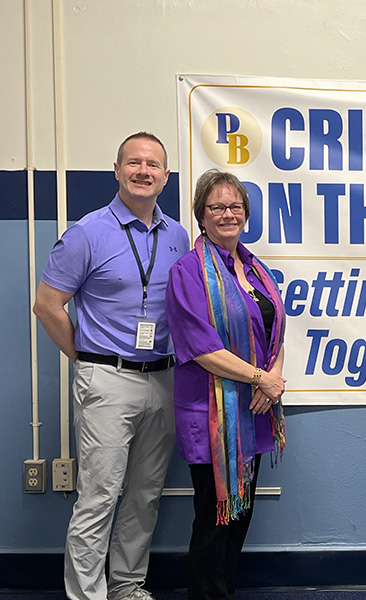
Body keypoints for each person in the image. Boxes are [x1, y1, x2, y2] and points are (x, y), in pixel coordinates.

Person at [33, 132, 189, 600]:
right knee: (99, 496)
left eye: (153, 165)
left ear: (165, 176)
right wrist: (86, 359)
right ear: (116, 171)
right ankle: (87, 595)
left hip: (163, 378)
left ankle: (126, 585)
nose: (143, 171)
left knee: (144, 495)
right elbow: (47, 305)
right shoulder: (88, 232)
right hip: (106, 380)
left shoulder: (179, 235)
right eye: (134, 163)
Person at [165, 169, 287, 600]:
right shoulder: (188, 272)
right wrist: (260, 378)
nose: (228, 214)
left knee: (241, 515)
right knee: (216, 518)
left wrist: (268, 380)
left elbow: (275, 334)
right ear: (201, 215)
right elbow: (200, 347)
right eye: (217, 207)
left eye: (235, 206)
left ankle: (225, 592)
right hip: (212, 414)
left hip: (253, 410)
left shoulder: (255, 269)